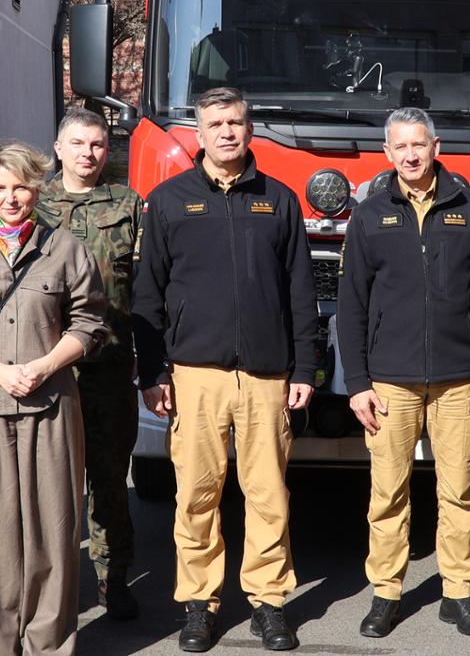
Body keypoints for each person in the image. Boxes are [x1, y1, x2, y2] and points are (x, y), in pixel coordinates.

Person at [133, 86, 317, 652]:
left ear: (249, 129)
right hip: (194, 374)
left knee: (268, 496)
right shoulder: (168, 201)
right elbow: (147, 296)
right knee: (196, 495)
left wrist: (304, 370)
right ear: (201, 133)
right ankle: (199, 604)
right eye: (215, 124)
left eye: (235, 122)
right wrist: (152, 373)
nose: (227, 132)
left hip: (266, 375)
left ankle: (269, 602)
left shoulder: (278, 199)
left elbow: (300, 292)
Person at [0, 140, 108, 656]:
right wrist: (0, 372)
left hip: (51, 405)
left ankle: (48, 645)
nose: (11, 198)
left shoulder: (66, 249)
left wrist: (43, 366)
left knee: (53, 529)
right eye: (0, 188)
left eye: (22, 187)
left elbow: (90, 322)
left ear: (37, 189)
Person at [339, 107, 470, 639]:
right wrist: (357, 383)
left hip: (460, 380)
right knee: (388, 494)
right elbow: (352, 304)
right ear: (387, 153)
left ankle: (458, 593)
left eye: (420, 144)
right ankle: (386, 594)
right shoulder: (369, 214)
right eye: (401, 146)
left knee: (459, 491)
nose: (411, 155)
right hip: (390, 380)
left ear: (436, 147)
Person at [35, 107, 144, 621]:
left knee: (109, 480)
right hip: (47, 368)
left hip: (109, 366)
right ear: (59, 148)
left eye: (98, 144)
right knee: (50, 484)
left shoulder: (128, 203)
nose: (88, 153)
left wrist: (150, 360)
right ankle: (53, 586)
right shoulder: (32, 203)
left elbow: (145, 287)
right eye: (78, 143)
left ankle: (112, 578)